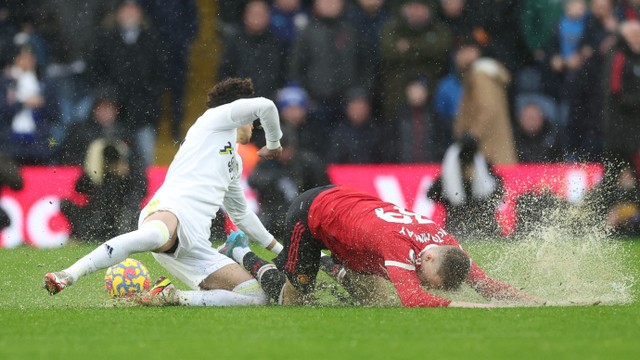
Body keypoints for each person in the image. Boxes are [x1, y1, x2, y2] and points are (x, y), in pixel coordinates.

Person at [44, 78, 284, 307]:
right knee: (154, 236)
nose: (253, 124)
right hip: (172, 210)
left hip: (197, 244)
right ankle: (69, 274)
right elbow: (267, 106)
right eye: (251, 119)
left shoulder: (234, 161)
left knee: (256, 295)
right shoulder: (213, 121)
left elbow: (241, 215)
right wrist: (274, 144)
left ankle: (173, 296)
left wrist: (281, 251)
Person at [206, 185, 536, 308]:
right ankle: (238, 249)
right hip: (311, 215)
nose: (418, 278)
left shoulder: (448, 245)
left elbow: (483, 283)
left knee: (374, 299)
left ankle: (326, 262)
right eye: (424, 273)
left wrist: (533, 301)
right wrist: (475, 308)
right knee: (292, 298)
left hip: (348, 217)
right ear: (429, 254)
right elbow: (413, 300)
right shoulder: (397, 244)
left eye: (425, 280)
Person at [248, 127, 330, 239]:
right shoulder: (268, 162)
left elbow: (324, 188)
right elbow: (253, 180)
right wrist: (276, 178)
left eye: (286, 149)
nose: (283, 154)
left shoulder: (308, 163)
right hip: (273, 212)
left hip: (303, 211)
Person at [427, 134, 504, 238]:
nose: (468, 170)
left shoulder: (486, 171)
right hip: (456, 230)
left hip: (485, 231)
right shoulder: (447, 179)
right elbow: (431, 194)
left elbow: (499, 193)